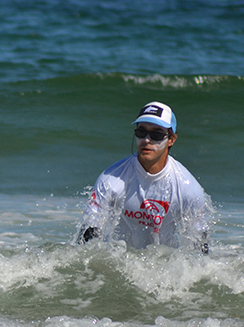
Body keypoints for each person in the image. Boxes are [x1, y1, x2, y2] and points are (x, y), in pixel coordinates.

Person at [77, 101, 210, 252]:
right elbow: (86, 241)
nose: (146, 140)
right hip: (120, 261)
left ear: (171, 139)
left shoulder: (188, 189)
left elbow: (200, 251)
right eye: (141, 133)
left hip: (163, 265)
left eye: (156, 134)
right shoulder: (111, 180)